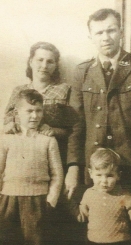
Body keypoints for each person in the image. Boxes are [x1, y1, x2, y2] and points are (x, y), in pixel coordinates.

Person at [67, 8, 131, 197]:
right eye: (99, 32)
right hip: (95, 173)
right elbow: (76, 125)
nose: (105, 37)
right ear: (91, 37)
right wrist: (73, 166)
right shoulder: (82, 72)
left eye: (111, 30)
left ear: (121, 32)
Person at [3, 41, 77, 199]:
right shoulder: (19, 91)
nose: (44, 65)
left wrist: (52, 131)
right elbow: (8, 118)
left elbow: (74, 128)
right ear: (31, 62)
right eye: (40, 60)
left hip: (54, 157)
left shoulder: (65, 90)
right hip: (22, 162)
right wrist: (10, 124)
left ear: (56, 65)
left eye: (50, 61)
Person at [0, 89, 63, 245]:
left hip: (39, 201)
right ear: (17, 112)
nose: (34, 116)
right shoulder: (6, 138)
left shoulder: (48, 140)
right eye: (29, 111)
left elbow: (57, 174)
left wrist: (51, 200)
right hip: (8, 200)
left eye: (38, 111)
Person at [71, 148, 131, 245]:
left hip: (120, 242)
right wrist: (69, 200)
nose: (104, 181)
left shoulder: (124, 196)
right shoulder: (88, 194)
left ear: (118, 175)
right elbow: (81, 216)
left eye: (109, 175)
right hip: (93, 241)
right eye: (99, 175)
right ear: (91, 173)